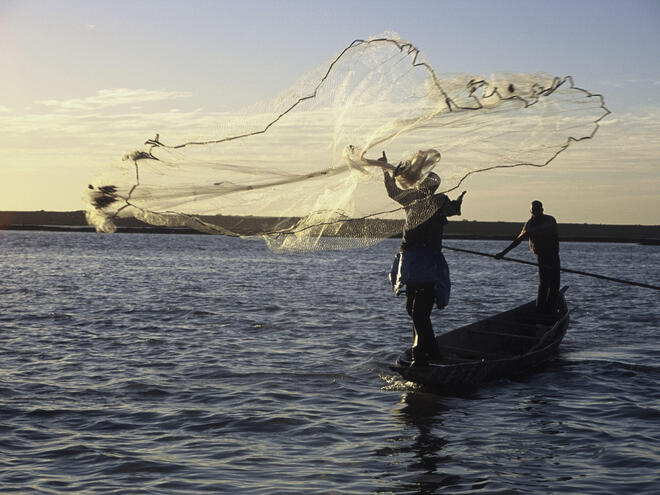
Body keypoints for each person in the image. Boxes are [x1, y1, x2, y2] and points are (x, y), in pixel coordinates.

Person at [381, 152, 466, 367]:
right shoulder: (411, 199)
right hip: (410, 259)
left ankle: (426, 353)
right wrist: (385, 169)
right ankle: (427, 350)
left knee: (420, 311)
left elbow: (451, 210)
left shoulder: (439, 201)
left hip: (428, 261)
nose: (427, 187)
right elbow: (392, 192)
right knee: (412, 309)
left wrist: (456, 204)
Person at [494, 200, 560, 314]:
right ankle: (540, 310)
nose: (535, 212)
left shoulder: (550, 220)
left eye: (537, 209)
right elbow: (518, 240)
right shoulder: (529, 225)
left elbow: (549, 234)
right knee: (544, 284)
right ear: (531, 211)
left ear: (542, 210)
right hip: (542, 257)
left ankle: (551, 308)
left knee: (554, 284)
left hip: (553, 255)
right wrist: (503, 253)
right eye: (533, 210)